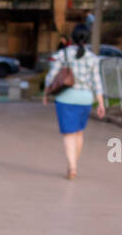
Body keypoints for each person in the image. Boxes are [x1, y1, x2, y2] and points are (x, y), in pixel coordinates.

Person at [43, 24, 106, 179]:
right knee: (78, 133)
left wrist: (46, 92)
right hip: (85, 99)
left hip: (66, 98)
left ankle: (72, 167)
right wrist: (101, 103)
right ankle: (73, 164)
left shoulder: (63, 54)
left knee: (68, 134)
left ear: (72, 37)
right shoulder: (92, 58)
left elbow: (52, 76)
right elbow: (97, 82)